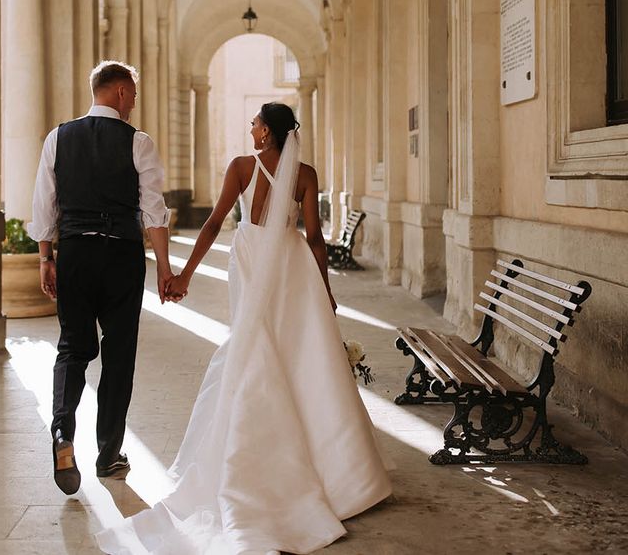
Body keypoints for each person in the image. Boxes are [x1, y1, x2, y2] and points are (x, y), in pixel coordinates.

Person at [97, 103, 392, 554]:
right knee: (296, 351)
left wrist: (185, 275)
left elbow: (215, 222)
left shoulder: (240, 167)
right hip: (293, 264)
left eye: (255, 122)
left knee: (256, 347)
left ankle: (264, 455)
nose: (250, 127)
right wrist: (325, 290)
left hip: (252, 258)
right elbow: (314, 238)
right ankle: (336, 470)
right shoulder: (306, 174)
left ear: (267, 133)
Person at [27, 60, 174, 495]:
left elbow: (44, 204)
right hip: (121, 254)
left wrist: (45, 257)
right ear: (122, 93)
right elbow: (154, 210)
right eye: (133, 95)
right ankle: (108, 454)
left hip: (74, 252)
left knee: (73, 347)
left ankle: (61, 435)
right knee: (119, 352)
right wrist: (165, 269)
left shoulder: (58, 137)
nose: (133, 104)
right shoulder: (138, 142)